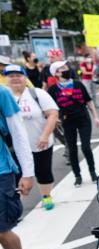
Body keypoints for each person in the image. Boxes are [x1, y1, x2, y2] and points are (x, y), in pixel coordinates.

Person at [4, 65, 59, 210]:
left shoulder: (37, 93)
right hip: (13, 147)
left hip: (39, 142)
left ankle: (46, 196)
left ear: (25, 77)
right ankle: (17, 205)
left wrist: (45, 135)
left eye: (18, 75)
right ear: (5, 79)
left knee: (43, 171)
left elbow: (53, 114)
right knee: (16, 176)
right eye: (11, 75)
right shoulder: (4, 96)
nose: (15, 78)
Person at [0, 85, 35, 249]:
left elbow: (19, 133)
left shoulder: (2, 93)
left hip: (1, 172)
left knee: (2, 231)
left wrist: (28, 173)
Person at [46, 61, 99, 186]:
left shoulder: (78, 84)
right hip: (67, 121)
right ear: (56, 73)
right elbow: (49, 107)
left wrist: (96, 117)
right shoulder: (53, 89)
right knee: (72, 149)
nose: (67, 69)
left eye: (66, 67)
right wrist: (54, 118)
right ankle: (77, 175)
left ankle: (93, 172)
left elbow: (88, 101)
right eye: (62, 68)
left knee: (86, 147)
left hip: (83, 119)